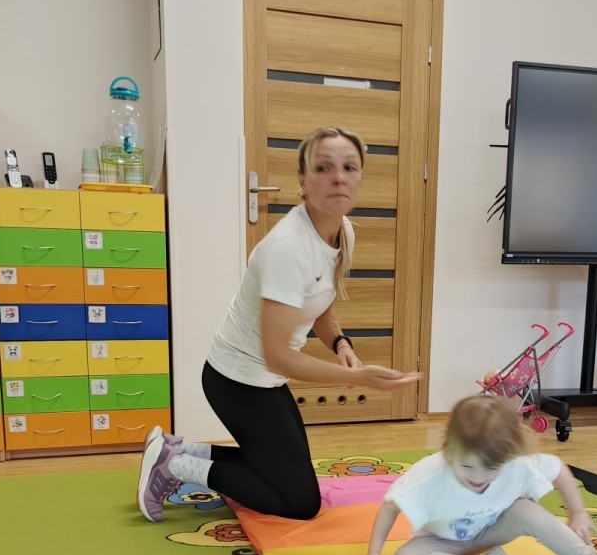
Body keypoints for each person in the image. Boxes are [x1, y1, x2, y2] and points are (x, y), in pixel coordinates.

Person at [137, 125, 421, 522]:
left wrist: (342, 345)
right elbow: (279, 357)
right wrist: (359, 378)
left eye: (349, 167)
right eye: (323, 167)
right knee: (299, 502)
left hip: (264, 381)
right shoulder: (288, 248)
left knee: (282, 474)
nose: (338, 177)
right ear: (302, 180)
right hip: (237, 382)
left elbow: (320, 306)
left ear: (360, 177)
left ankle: (179, 450)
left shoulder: (341, 232)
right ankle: (174, 467)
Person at [343, 395, 597, 555]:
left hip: (492, 530)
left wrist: (577, 512)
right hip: (440, 542)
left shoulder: (517, 464)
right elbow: (391, 505)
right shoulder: (431, 473)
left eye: (490, 469)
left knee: (526, 510)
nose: (478, 478)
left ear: (507, 457)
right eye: (467, 467)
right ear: (450, 451)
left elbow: (559, 469)